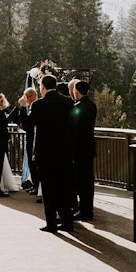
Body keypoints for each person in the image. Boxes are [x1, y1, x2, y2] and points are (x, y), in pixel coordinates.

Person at [32, 74, 76, 233]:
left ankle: (51, 223)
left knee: (48, 189)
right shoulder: (68, 102)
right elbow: (74, 125)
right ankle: (67, 222)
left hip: (45, 152)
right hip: (64, 151)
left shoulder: (38, 105)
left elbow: (29, 124)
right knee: (63, 187)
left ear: (42, 87)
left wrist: (24, 108)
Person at [72, 80, 98, 221]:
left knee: (81, 181)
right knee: (88, 180)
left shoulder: (77, 107)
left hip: (79, 148)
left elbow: (74, 128)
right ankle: (89, 209)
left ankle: (83, 210)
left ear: (76, 91)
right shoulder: (92, 106)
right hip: (89, 146)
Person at [13, 88, 38, 191]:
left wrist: (23, 107)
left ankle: (36, 185)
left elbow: (26, 124)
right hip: (31, 138)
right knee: (31, 163)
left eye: (25, 96)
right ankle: (35, 184)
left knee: (33, 163)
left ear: (29, 97)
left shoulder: (35, 106)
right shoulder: (32, 106)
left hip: (33, 139)